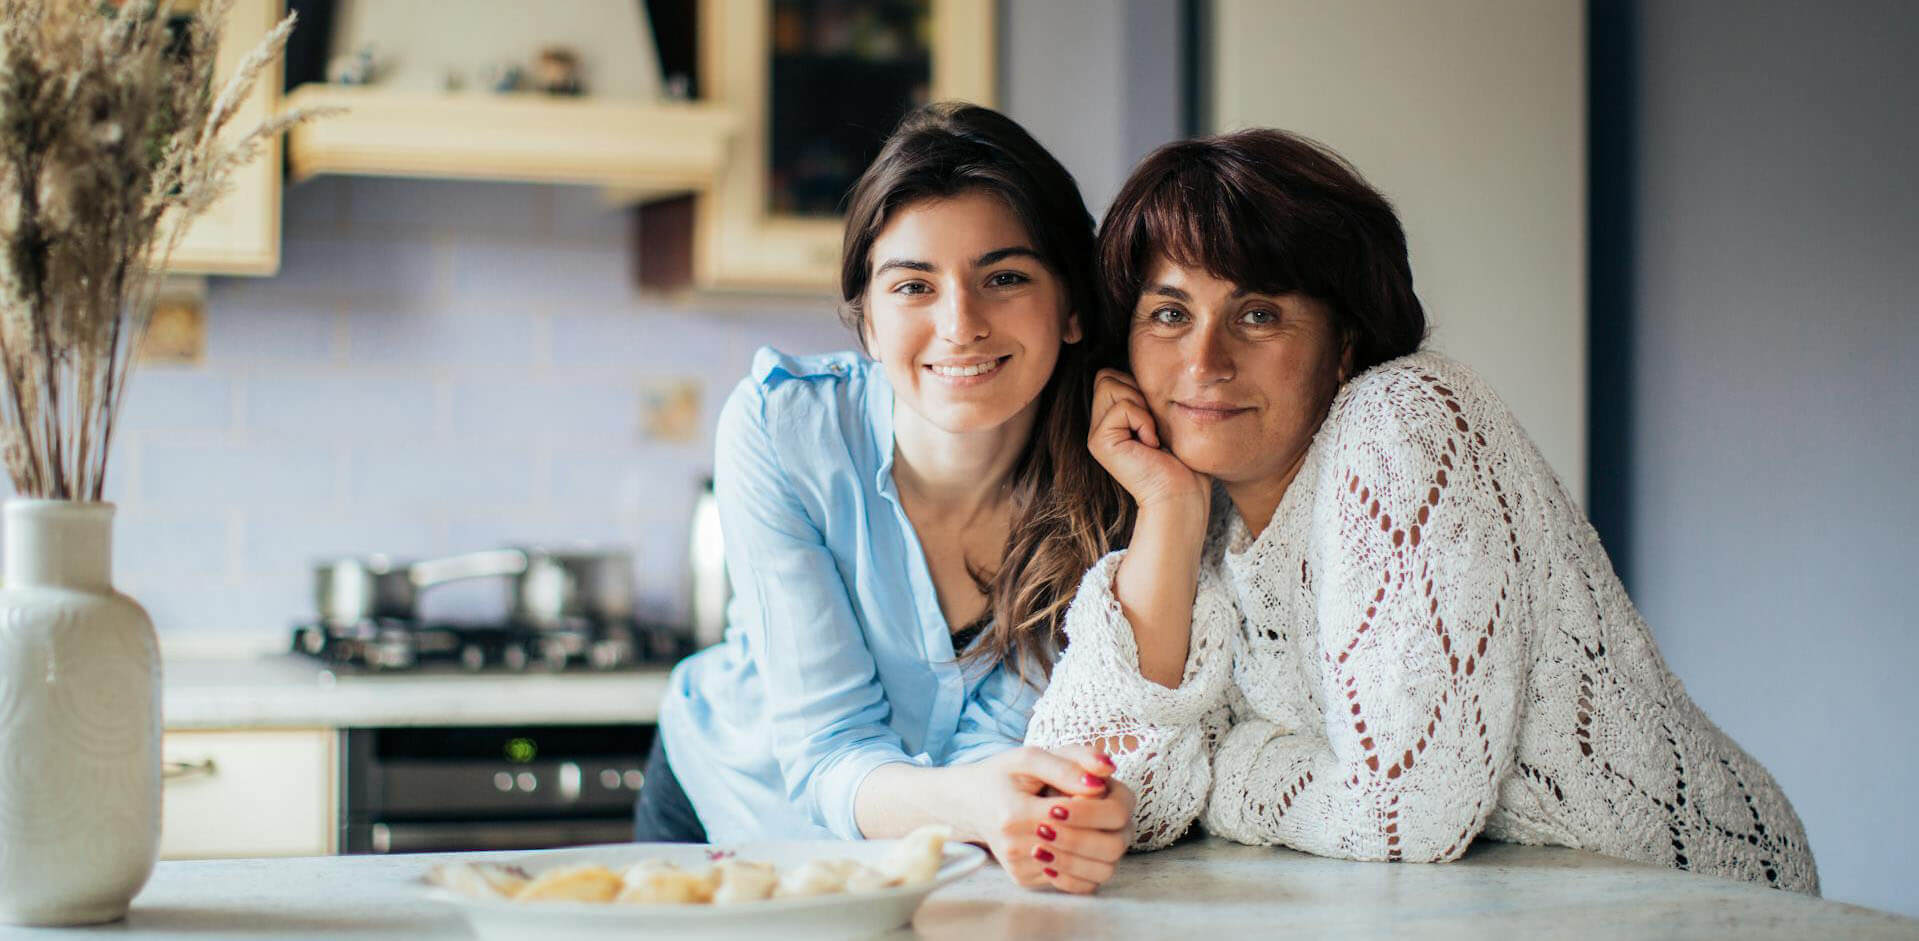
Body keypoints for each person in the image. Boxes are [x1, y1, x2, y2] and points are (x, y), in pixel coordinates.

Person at [1025, 128, 1819, 892]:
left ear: (1342, 344)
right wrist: (1165, 510)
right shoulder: (1202, 514)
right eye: (1168, 315)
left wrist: (1226, 767)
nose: (1204, 361)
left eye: (1258, 313)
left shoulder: (1403, 419)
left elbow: (1407, 815)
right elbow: (1081, 799)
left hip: (1700, 896)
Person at [647, 102, 1137, 895]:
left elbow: (1025, 748)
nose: (959, 324)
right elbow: (826, 748)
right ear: (866, 321)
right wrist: (978, 800)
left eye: (1004, 277)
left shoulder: (1116, 478)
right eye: (914, 285)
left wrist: (1043, 805)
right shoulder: (783, 428)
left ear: (1072, 305)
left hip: (948, 852)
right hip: (736, 811)